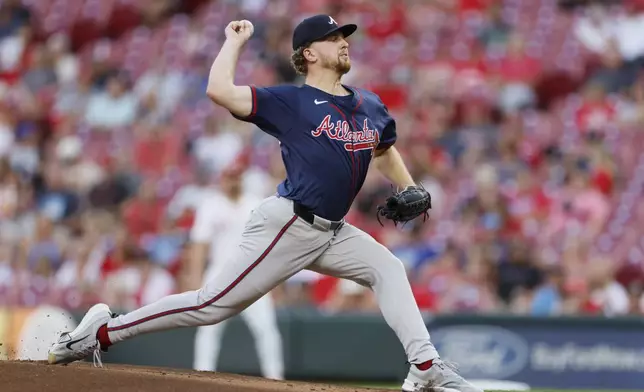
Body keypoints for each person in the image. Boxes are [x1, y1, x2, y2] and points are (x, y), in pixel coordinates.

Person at [47, 15, 482, 392]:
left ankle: (425, 367)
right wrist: (234, 42)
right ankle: (100, 333)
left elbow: (383, 148)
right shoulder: (290, 102)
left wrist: (408, 184)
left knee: (388, 268)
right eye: (333, 39)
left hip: (332, 231)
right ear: (308, 54)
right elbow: (219, 90)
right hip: (289, 226)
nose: (344, 41)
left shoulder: (369, 103)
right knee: (209, 306)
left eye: (344, 36)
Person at [189, 163, 284, 379]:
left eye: (236, 177)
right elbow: (199, 244)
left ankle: (276, 379)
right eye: (229, 177)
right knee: (208, 329)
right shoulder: (211, 205)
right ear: (222, 180)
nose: (233, 181)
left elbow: (268, 244)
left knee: (267, 330)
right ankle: (201, 377)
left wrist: (274, 279)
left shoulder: (254, 203)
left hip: (252, 275)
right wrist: (195, 276)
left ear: (241, 179)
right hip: (218, 274)